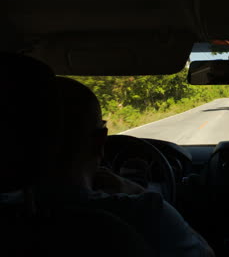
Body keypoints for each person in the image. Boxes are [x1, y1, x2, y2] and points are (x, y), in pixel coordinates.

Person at [8, 75, 214, 257]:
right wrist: (136, 190)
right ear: (100, 142)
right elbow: (205, 252)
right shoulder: (146, 214)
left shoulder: (12, 219)